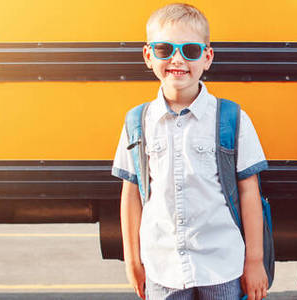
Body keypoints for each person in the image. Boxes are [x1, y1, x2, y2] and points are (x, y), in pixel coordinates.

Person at [111, 3, 269, 300]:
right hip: (162, 265)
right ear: (148, 55)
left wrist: (255, 260)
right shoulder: (138, 122)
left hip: (221, 263)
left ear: (207, 57)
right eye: (164, 49)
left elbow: (249, 192)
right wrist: (133, 260)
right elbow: (131, 194)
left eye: (191, 51)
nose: (177, 59)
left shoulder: (231, 118)